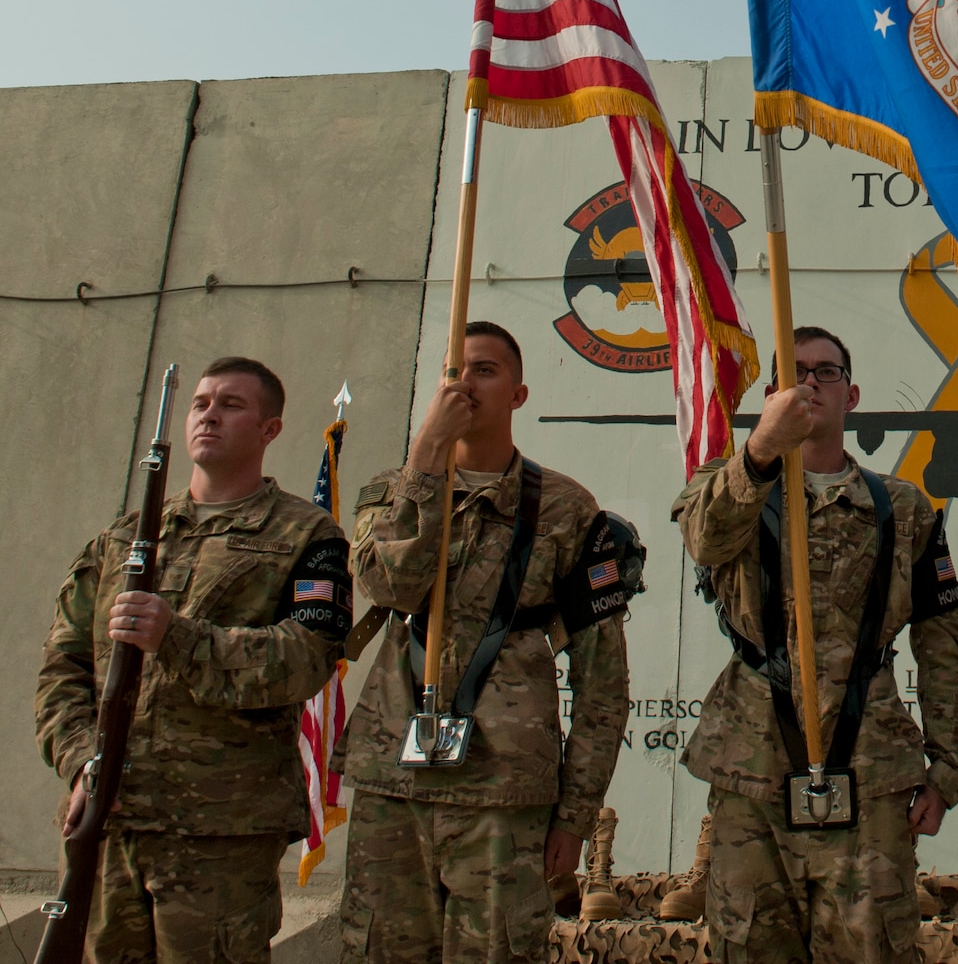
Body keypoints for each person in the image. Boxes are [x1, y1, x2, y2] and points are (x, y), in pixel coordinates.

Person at [673, 326, 958, 964]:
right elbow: (705, 540)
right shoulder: (729, 483)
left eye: (826, 372)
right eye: (794, 371)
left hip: (870, 774)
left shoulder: (902, 507)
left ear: (853, 394)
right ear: (770, 396)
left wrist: (949, 769)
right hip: (753, 771)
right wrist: (759, 451)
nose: (810, 382)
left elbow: (943, 641)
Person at [36, 357, 351, 964]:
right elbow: (63, 667)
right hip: (109, 821)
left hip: (218, 833)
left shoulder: (306, 535)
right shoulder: (124, 539)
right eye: (201, 403)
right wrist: (82, 763)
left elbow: (305, 661)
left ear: (270, 429)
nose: (209, 414)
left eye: (230, 404)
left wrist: (176, 637)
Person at [337, 321, 634, 964]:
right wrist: (425, 462)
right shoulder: (393, 491)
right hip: (395, 781)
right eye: (452, 372)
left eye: (483, 370)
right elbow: (385, 584)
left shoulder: (566, 509)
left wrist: (575, 812)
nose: (463, 384)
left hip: (504, 790)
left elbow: (602, 680)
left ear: (519, 394)